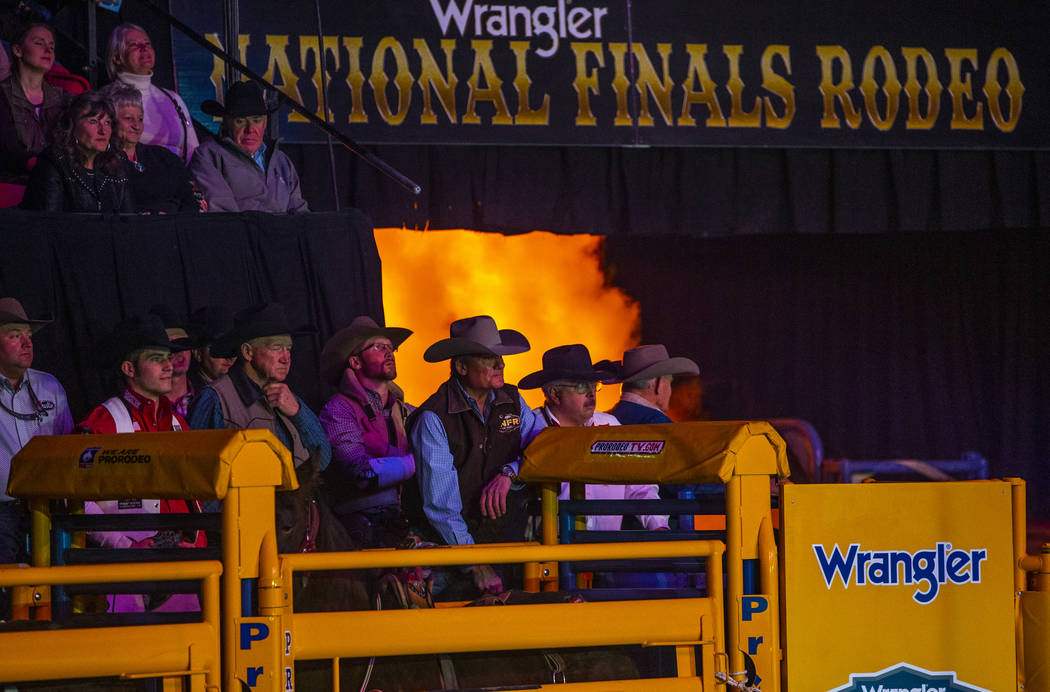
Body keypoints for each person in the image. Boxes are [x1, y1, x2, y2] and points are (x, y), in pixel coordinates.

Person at [78, 314, 206, 612]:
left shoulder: (177, 422)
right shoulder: (105, 420)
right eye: (156, 358)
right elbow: (75, 496)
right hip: (130, 573)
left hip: (186, 567)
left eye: (169, 358)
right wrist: (123, 545)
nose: (168, 365)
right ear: (129, 368)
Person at [408, 315, 540, 597]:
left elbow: (543, 445)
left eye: (501, 357)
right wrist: (474, 561)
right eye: (489, 357)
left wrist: (510, 472)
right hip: (452, 556)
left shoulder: (513, 400)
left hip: (504, 544)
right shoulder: (433, 417)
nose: (501, 364)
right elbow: (441, 506)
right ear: (461, 367)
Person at [519, 344, 668, 533]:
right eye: (581, 386)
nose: (591, 393)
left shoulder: (611, 426)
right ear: (554, 394)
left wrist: (658, 525)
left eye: (593, 385)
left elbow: (639, 486)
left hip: (605, 553)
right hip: (552, 555)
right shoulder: (531, 430)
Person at [188, 302, 329, 471]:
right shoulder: (215, 399)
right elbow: (197, 472)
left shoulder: (289, 399)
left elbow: (323, 460)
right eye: (276, 348)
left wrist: (298, 413)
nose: (286, 358)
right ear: (248, 352)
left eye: (288, 349)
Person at [318, 316, 414, 548]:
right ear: (355, 362)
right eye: (379, 347)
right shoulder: (338, 409)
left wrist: (384, 453)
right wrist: (416, 463)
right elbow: (359, 472)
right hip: (359, 531)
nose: (389, 352)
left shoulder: (408, 412)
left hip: (405, 525)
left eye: (391, 348)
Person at [0, 298, 73, 569]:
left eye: (28, 336)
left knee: (53, 592)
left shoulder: (49, 385)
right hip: (2, 514)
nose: (27, 343)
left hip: (47, 511)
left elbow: (68, 446)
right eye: (15, 335)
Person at [189, 81, 309, 213]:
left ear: (265, 123)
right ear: (226, 123)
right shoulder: (208, 155)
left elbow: (301, 215)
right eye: (240, 121)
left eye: (256, 120)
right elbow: (222, 215)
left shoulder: (282, 162)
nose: (250, 129)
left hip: (286, 232)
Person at [22, 90, 132, 212]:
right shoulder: (52, 162)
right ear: (71, 126)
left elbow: (128, 222)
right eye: (93, 121)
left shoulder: (116, 163)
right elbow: (48, 225)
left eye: (107, 123)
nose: (103, 130)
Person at [105, 23, 197, 163]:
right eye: (134, 45)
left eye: (147, 43)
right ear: (117, 57)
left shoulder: (172, 98)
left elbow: (193, 149)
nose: (144, 48)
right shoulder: (107, 98)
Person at [102, 83, 197, 213]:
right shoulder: (102, 162)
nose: (137, 126)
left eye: (140, 119)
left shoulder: (164, 158)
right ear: (110, 121)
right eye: (128, 118)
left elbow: (189, 201)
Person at [0, 23, 72, 183]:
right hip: (12, 185)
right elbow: (9, 151)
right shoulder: (3, 96)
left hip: (57, 185)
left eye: (52, 46)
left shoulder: (64, 99)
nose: (48, 50)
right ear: (17, 50)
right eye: (39, 43)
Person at [609, 344, 699, 425]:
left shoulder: (604, 418)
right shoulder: (659, 422)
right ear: (659, 384)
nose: (670, 391)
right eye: (670, 382)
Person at [185, 305, 235, 395]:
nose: (230, 357)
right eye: (221, 348)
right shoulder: (191, 396)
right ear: (198, 353)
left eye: (233, 347)